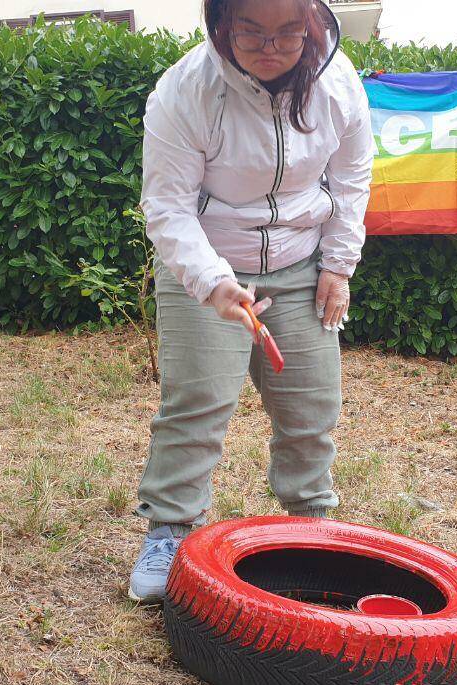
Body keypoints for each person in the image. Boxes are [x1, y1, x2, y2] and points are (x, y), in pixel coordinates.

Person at [128, 0, 374, 602]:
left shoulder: (338, 83)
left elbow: (352, 177)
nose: (272, 48)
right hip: (208, 262)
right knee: (198, 400)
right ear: (222, 26)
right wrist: (214, 283)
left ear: (312, 25)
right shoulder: (186, 89)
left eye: (288, 32)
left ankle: (311, 522)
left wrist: (338, 267)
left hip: (300, 261)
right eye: (252, 32)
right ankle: (171, 528)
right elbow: (166, 207)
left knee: (312, 405)